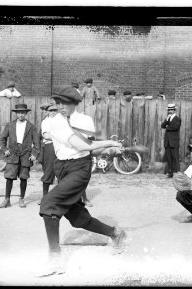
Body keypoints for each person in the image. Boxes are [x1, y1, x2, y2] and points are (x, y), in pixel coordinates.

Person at [37, 86, 126, 276]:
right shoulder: (55, 122)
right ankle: (115, 233)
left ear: (75, 103)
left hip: (80, 168)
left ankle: (55, 260)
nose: (60, 107)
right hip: (61, 168)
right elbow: (81, 144)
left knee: (49, 204)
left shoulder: (85, 120)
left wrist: (110, 151)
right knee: (77, 219)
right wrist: (110, 143)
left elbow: (90, 149)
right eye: (58, 103)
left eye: (65, 103)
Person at [0, 103, 40, 208]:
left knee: (23, 177)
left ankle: (21, 198)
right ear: (16, 113)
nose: (21, 115)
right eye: (19, 113)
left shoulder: (31, 126)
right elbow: (2, 139)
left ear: (26, 113)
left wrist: (34, 154)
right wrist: (5, 149)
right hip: (12, 154)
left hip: (26, 154)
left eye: (23, 113)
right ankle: (7, 199)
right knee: (9, 177)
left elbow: (37, 143)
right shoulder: (10, 125)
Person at [39, 104, 58, 204]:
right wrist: (60, 136)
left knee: (62, 171)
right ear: (47, 112)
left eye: (55, 110)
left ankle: (61, 197)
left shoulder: (61, 121)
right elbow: (46, 136)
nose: (53, 112)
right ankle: (45, 197)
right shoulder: (46, 122)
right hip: (50, 147)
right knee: (49, 170)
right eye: (51, 111)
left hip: (61, 147)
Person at [161, 103, 181, 178]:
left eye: (172, 110)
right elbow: (162, 126)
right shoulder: (168, 118)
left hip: (174, 141)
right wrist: (166, 121)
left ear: (174, 110)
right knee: (169, 158)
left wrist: (167, 127)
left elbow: (175, 127)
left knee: (175, 157)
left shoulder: (178, 119)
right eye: (169, 110)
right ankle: (170, 172)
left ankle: (177, 172)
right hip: (167, 141)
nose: (170, 111)